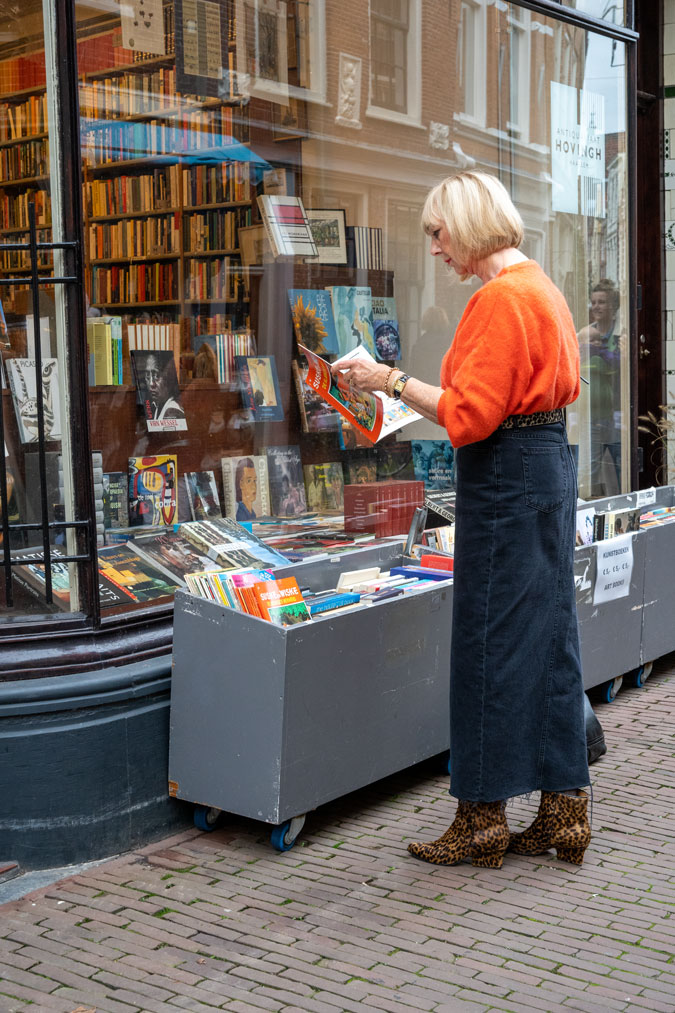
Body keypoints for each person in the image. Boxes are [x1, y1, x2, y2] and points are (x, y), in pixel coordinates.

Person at [331, 171, 591, 870]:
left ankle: (479, 816)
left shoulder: (497, 299)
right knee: (548, 634)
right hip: (544, 465)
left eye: (438, 233)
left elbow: (470, 415)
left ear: (469, 225)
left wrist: (385, 380)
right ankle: (564, 809)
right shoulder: (540, 287)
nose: (437, 250)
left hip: (504, 474)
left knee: (487, 640)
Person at [576, 279, 622, 495]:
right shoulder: (585, 335)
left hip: (617, 413)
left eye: (601, 302)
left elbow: (620, 366)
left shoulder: (620, 333)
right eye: (593, 302)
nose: (596, 306)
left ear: (612, 305)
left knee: (621, 465)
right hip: (590, 414)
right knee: (590, 470)